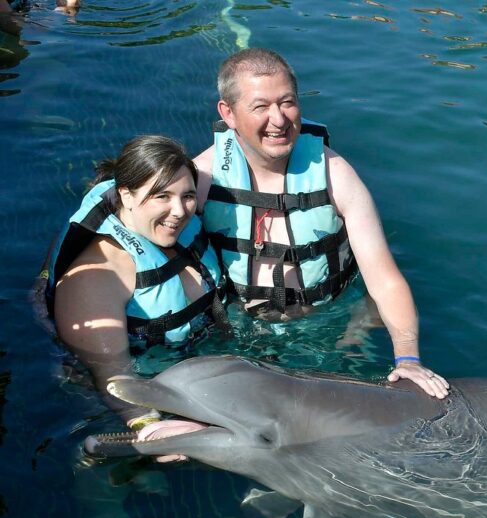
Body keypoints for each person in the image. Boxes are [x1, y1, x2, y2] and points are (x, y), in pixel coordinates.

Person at [194, 48, 450, 399]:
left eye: (287, 102)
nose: (279, 119)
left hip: (332, 328)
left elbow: (385, 279)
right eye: (260, 107)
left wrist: (407, 357)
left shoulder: (336, 175)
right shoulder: (202, 179)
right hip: (238, 334)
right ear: (229, 113)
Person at [43, 134, 227, 442]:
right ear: (126, 196)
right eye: (162, 196)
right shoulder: (96, 278)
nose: (180, 211)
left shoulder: (176, 230)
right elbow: (114, 379)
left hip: (191, 369)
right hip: (110, 408)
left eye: (188, 196)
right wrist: (149, 427)